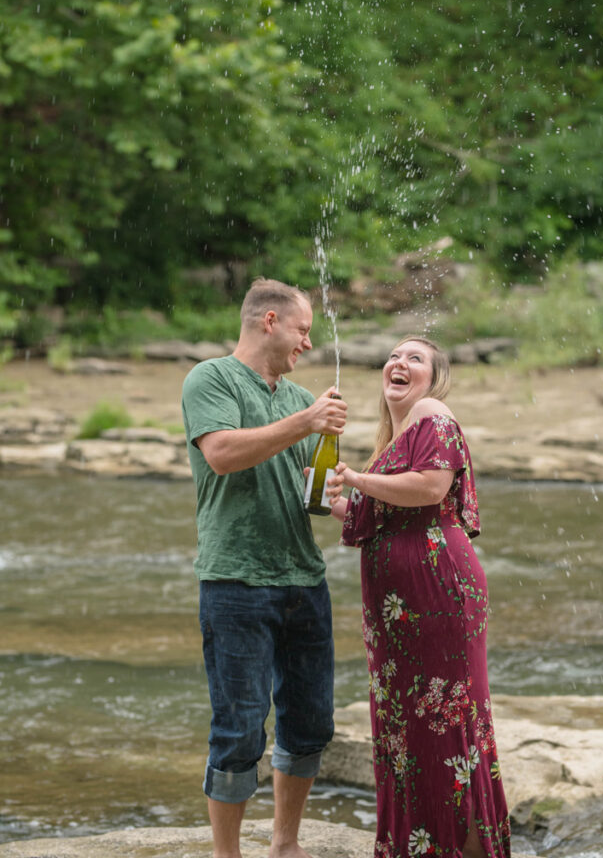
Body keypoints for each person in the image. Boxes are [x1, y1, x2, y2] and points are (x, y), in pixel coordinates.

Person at [181, 277, 347, 858]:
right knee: (240, 729)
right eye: (303, 329)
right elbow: (223, 455)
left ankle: (284, 843)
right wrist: (307, 425)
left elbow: (317, 500)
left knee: (310, 723)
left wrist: (361, 494)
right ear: (269, 321)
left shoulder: (303, 401)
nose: (308, 343)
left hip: (305, 579)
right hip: (235, 581)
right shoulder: (211, 378)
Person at [327, 336, 511, 858]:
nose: (398, 363)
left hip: (437, 597)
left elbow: (431, 489)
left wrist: (358, 479)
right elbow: (382, 518)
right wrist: (339, 500)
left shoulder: (432, 412)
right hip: (397, 610)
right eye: (393, 356)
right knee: (407, 732)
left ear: (433, 379)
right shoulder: (394, 441)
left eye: (415, 359)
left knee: (443, 730)